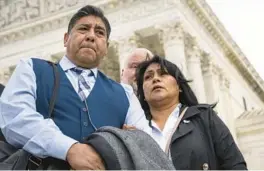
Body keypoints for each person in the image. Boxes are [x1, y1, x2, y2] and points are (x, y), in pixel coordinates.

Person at [0, 5, 149, 170]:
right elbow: (14, 117)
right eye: (83, 29)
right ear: (66, 39)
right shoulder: (31, 69)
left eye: (99, 32)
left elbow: (146, 145)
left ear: (106, 47)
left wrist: (131, 139)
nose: (91, 36)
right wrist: (69, 149)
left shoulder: (125, 94)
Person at [136, 55, 247, 170]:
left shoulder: (204, 117)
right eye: (148, 77)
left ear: (179, 86)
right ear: (143, 93)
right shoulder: (136, 128)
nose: (155, 79)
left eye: (163, 73)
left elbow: (234, 164)